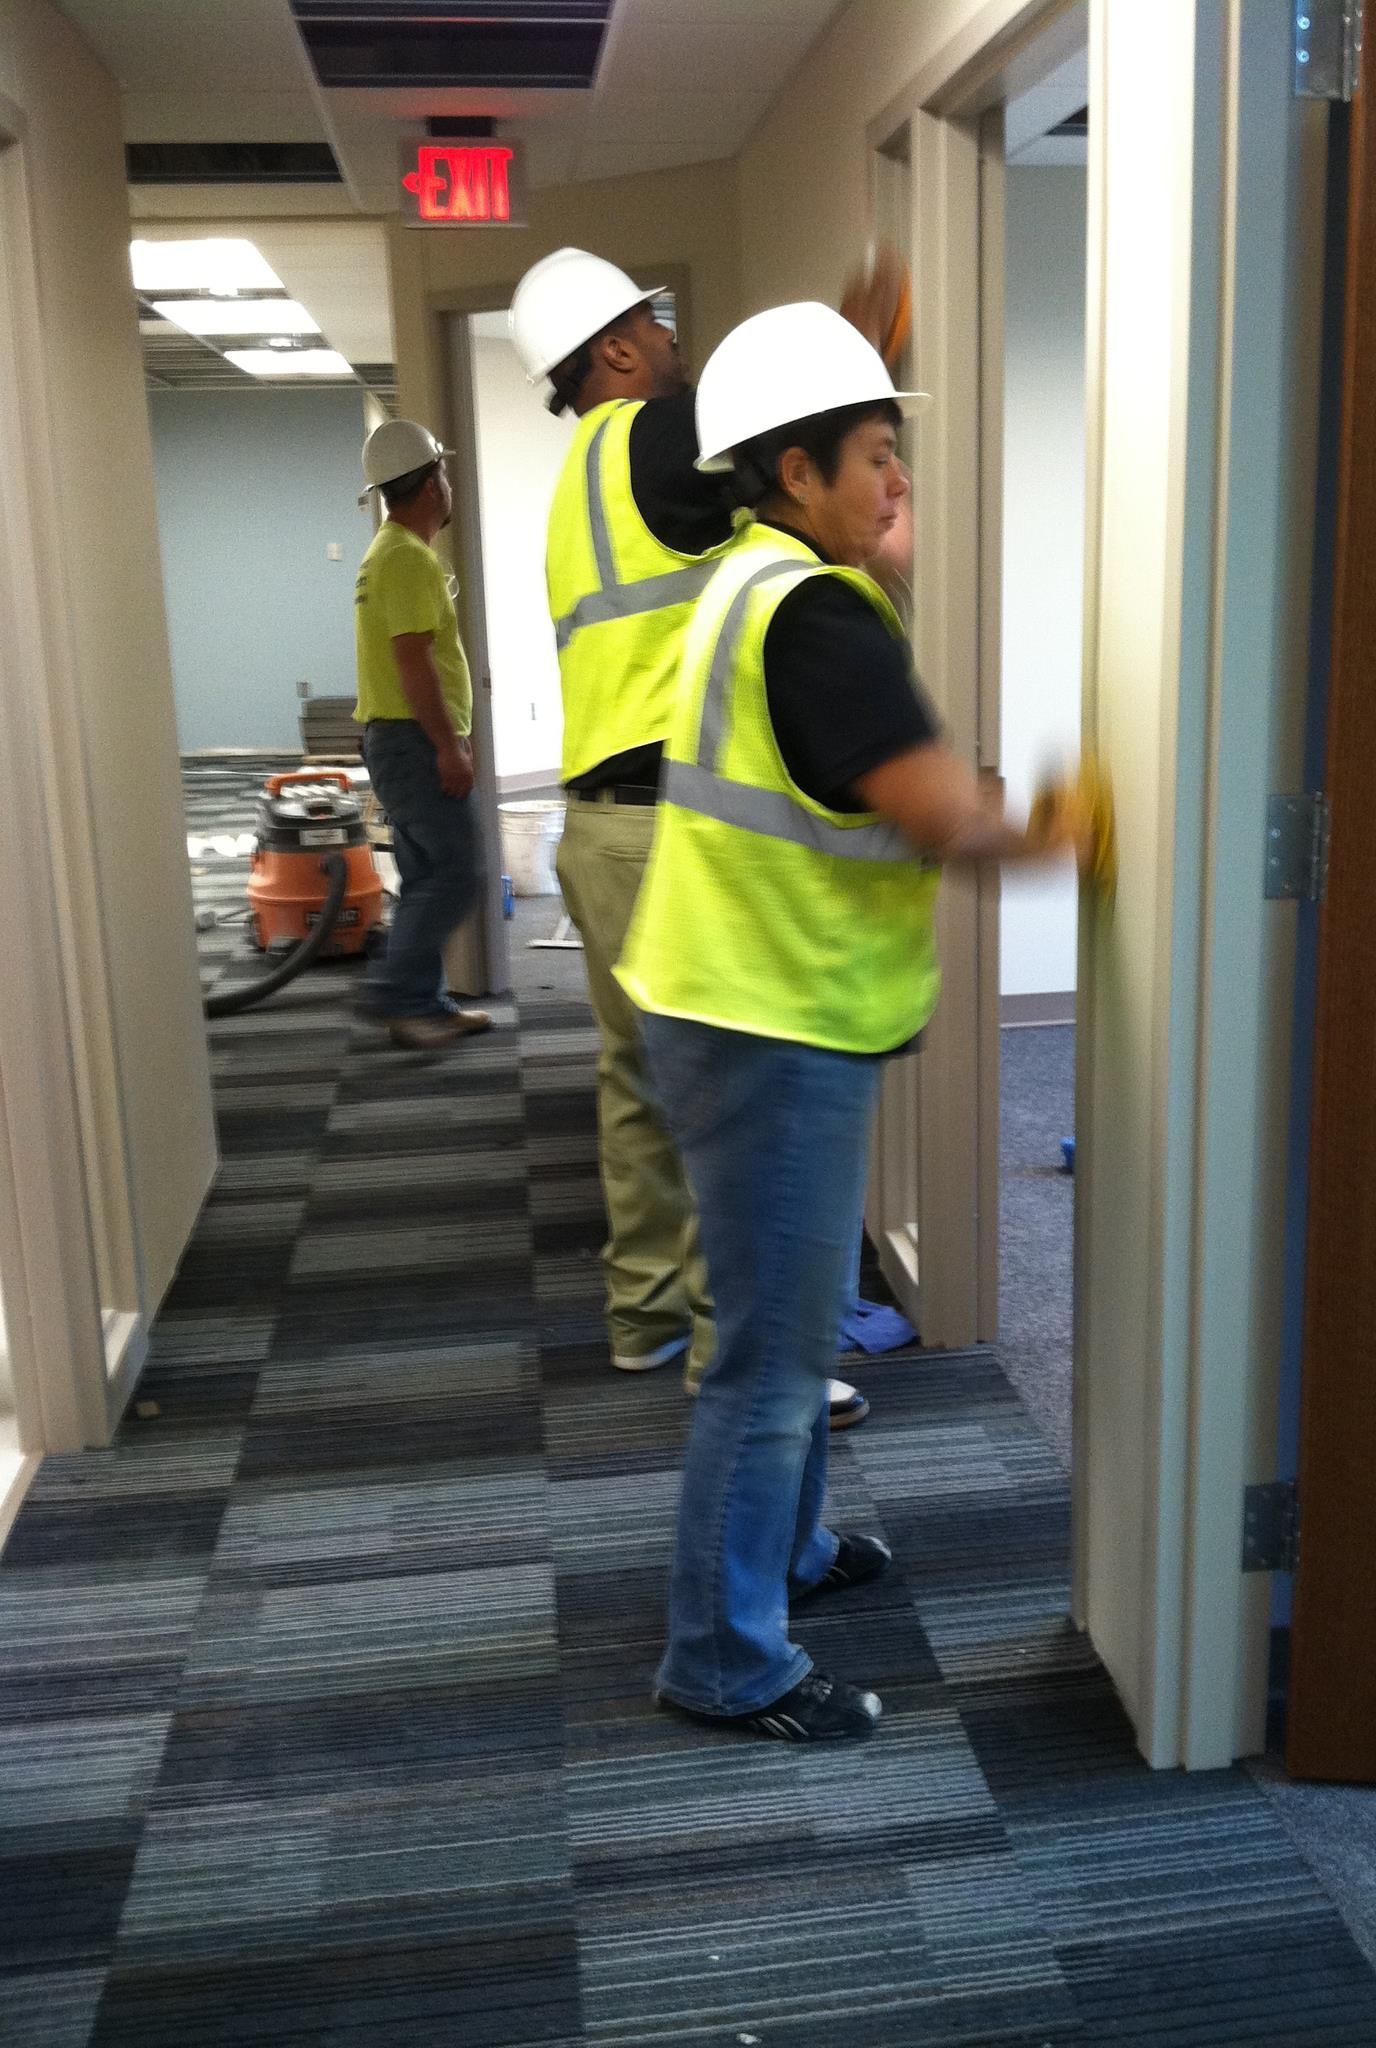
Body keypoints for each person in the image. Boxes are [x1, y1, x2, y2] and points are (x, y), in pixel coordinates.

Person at [615, 303, 1098, 1743]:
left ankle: (794, 1560)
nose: (897, 482)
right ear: (794, 471)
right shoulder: (817, 617)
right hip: (766, 1022)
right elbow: (939, 813)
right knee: (768, 1367)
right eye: (874, 457)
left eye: (897, 454)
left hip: (741, 1002)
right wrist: (1073, 823)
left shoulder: (754, 582)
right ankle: (721, 1655)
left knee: (794, 1322)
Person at [508, 249, 877, 1422]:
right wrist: (857, 332)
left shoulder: (571, 480)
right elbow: (780, 438)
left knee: (635, 1082)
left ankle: (642, 1315)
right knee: (731, 1096)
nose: (671, 341)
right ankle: (746, 1354)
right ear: (616, 352)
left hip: (593, 830)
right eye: (653, 323)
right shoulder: (649, 436)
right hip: (673, 833)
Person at [353, 419, 491, 1052]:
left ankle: (426, 1004)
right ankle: (399, 997)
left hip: (395, 741)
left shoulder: (390, 553)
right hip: (411, 743)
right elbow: (414, 663)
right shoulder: (406, 557)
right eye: (444, 471)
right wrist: (447, 746)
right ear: (432, 483)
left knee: (423, 872)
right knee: (457, 872)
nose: (448, 482)